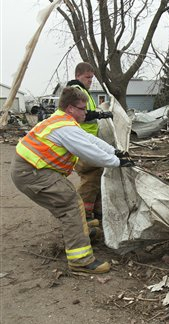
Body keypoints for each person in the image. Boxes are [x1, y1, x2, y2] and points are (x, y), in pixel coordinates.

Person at [11, 87, 133, 274]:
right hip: (32, 172)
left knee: (66, 202)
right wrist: (117, 162)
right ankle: (80, 261)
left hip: (33, 170)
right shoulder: (65, 127)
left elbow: (89, 140)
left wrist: (113, 151)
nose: (86, 112)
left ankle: (80, 232)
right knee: (70, 204)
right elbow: (89, 152)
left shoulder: (63, 121)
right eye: (82, 108)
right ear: (70, 108)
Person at [67, 62, 112, 224]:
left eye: (92, 78)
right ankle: (82, 215)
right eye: (87, 77)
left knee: (98, 173)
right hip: (81, 143)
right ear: (78, 75)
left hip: (87, 141)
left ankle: (96, 211)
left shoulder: (83, 92)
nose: (90, 80)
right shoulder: (76, 92)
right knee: (91, 175)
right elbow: (82, 115)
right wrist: (100, 115)